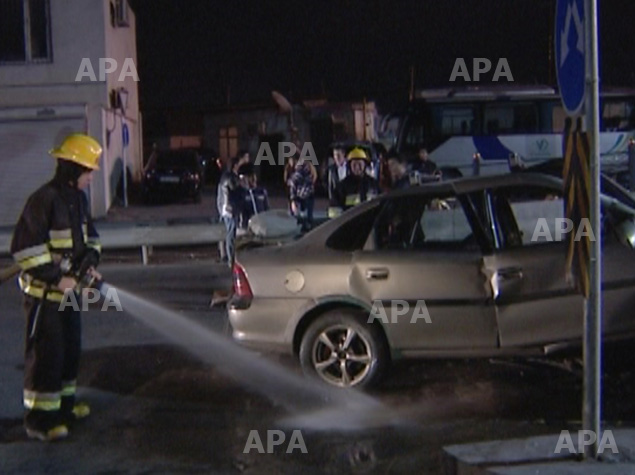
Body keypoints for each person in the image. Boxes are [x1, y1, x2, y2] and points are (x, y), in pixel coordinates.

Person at [10, 133, 103, 442]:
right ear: (72, 168)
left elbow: (90, 238)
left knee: (68, 352)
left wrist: (89, 262)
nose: (91, 177)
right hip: (44, 297)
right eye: (88, 171)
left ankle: (63, 408)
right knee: (46, 355)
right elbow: (25, 250)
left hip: (68, 295)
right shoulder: (43, 200)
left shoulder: (78, 199)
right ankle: (39, 420)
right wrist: (56, 277)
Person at [216, 155, 244, 267]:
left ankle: (230, 258)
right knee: (231, 234)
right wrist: (241, 181)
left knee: (230, 233)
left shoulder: (225, 176)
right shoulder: (231, 178)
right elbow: (236, 189)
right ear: (235, 165)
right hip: (230, 209)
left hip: (226, 209)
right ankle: (231, 260)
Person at [334, 147, 379, 215]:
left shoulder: (373, 184)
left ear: (365, 165)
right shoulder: (342, 186)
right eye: (354, 165)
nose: (357, 167)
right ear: (349, 166)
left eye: (360, 164)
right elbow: (335, 211)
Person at [237, 163, 269, 231]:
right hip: (247, 226)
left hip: (260, 225)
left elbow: (266, 208)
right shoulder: (242, 193)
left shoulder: (261, 191)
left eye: (254, 176)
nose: (253, 179)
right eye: (250, 177)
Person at [289, 156, 317, 232]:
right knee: (308, 218)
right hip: (309, 195)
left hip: (303, 198)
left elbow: (293, 184)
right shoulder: (308, 167)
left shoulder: (300, 168)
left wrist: (293, 200)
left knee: (300, 220)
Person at [326, 147, 348, 218]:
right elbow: (330, 186)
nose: (336, 157)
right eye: (335, 155)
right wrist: (332, 200)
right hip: (336, 200)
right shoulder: (331, 169)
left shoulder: (350, 166)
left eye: (338, 155)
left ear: (344, 154)